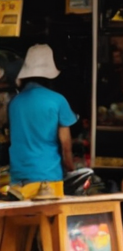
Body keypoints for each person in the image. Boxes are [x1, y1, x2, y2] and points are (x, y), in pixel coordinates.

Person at [7, 45, 76, 199]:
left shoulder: (14, 103)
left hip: (18, 182)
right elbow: (66, 145)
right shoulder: (58, 100)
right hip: (48, 180)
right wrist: (71, 169)